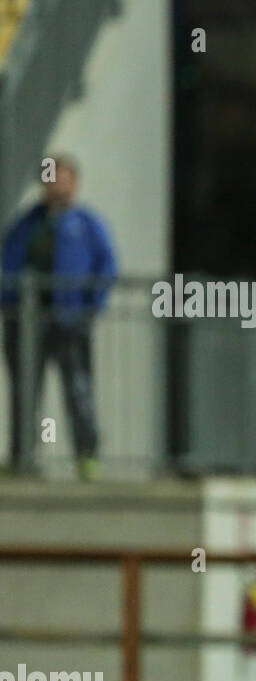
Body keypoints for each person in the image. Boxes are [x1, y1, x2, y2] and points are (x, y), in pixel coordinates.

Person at [1, 154, 116, 477]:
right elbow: (9, 262)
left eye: (62, 178)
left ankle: (86, 455)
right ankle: (23, 456)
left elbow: (106, 265)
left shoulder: (87, 225)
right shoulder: (27, 224)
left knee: (77, 390)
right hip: (26, 323)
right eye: (50, 178)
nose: (55, 185)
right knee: (25, 390)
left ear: (74, 183)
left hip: (69, 321)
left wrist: (90, 306)